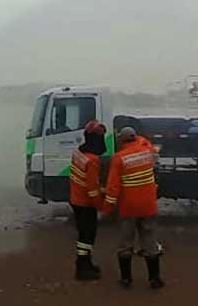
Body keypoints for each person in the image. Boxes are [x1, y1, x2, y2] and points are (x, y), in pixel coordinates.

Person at [102, 126, 164, 289]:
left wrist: (107, 206)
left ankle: (126, 279)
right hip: (148, 205)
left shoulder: (119, 158)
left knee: (126, 242)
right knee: (150, 240)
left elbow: (113, 186)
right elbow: (147, 143)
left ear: (121, 140)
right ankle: (155, 279)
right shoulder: (147, 151)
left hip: (128, 207)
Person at [69, 120, 107, 281]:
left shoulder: (78, 152)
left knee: (84, 233)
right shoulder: (92, 160)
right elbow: (92, 189)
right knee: (87, 235)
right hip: (86, 203)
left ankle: (86, 264)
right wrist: (101, 206)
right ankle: (82, 268)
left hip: (75, 199)